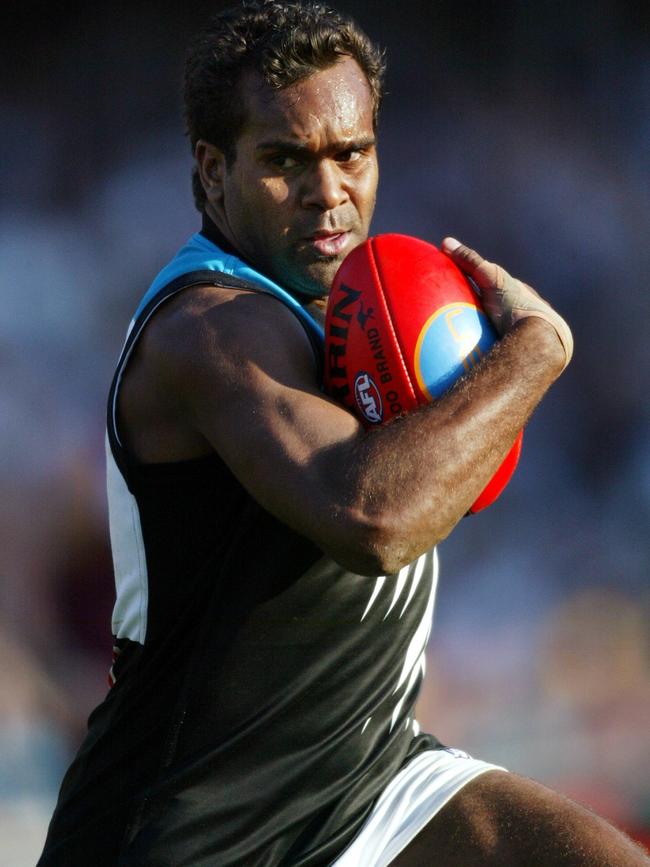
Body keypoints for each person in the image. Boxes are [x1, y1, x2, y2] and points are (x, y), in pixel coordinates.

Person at [40, 2, 648, 865]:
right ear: (213, 173)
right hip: (196, 826)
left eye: (350, 153)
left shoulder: (356, 304)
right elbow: (374, 519)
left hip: (367, 779)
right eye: (285, 160)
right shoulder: (210, 329)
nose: (329, 192)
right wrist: (535, 352)